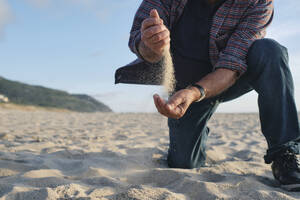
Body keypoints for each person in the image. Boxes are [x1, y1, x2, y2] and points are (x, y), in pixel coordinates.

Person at [115, 0, 300, 190]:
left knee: (270, 51)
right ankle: (196, 128)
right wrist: (152, 45)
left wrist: (196, 92)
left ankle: (283, 154)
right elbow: (139, 39)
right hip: (183, 90)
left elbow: (232, 65)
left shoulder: (257, 2)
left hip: (228, 78)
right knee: (184, 163)